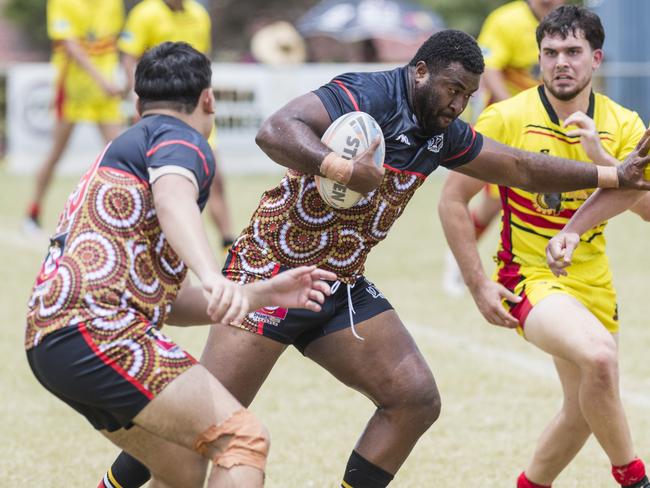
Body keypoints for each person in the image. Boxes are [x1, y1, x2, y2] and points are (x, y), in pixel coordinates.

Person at [103, 29, 650, 488]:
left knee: (414, 398)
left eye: (468, 96)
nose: (459, 105)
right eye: (452, 90)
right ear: (419, 73)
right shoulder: (367, 93)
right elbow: (277, 130)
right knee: (197, 427)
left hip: (339, 284)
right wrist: (340, 168)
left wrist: (610, 175)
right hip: (268, 276)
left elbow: (521, 169)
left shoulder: (443, 135)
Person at [26, 41, 336, 488]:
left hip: (54, 340)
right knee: (242, 441)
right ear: (208, 99)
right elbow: (173, 197)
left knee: (181, 467)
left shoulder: (127, 147)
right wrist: (211, 274)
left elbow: (162, 303)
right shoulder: (179, 138)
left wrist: (259, 294)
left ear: (137, 104)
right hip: (95, 330)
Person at [438, 7, 650, 487]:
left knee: (582, 412)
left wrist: (604, 161)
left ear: (595, 59)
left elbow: (646, 209)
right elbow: (452, 201)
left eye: (573, 52)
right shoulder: (507, 118)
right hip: (529, 276)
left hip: (594, 282)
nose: (561, 63)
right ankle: (635, 479)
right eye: (550, 53)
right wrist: (477, 285)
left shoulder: (624, 125)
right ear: (538, 59)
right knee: (599, 358)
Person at [442, 0, 565, 297]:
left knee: (540, 197)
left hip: (547, 125)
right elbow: (489, 70)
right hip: (504, 128)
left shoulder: (566, 23)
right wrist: (514, 109)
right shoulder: (506, 20)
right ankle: (460, 258)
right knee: (495, 200)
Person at [118, 0, 236, 254]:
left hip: (194, 110)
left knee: (215, 177)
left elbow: (204, 61)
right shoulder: (144, 13)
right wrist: (138, 100)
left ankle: (228, 244)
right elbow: (129, 60)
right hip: (160, 111)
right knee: (161, 183)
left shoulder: (199, 14)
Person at [24, 0, 125, 234]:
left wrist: (120, 80)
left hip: (104, 95)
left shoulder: (113, 3)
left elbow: (113, 43)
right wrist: (102, 80)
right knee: (56, 152)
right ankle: (33, 211)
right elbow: (70, 45)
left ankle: (123, 216)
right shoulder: (61, 2)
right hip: (72, 91)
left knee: (119, 153)